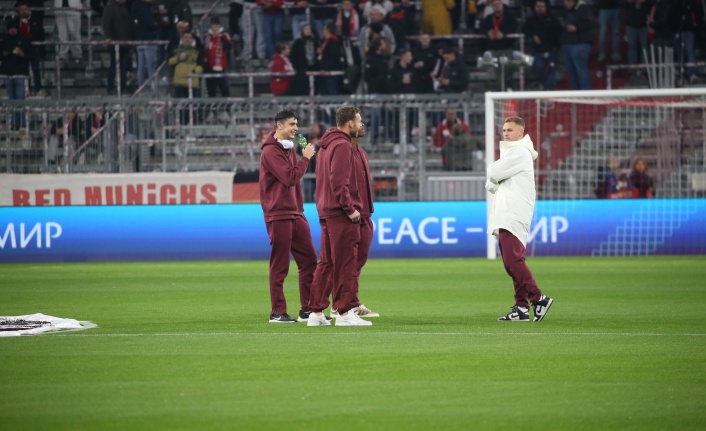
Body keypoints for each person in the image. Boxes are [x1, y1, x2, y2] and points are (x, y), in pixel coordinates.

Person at [307, 106, 375, 327]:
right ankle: (345, 313)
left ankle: (316, 313)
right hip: (341, 213)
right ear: (350, 124)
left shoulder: (326, 146)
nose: (362, 124)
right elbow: (339, 182)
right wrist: (349, 208)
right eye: (359, 120)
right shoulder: (343, 145)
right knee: (346, 262)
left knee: (326, 262)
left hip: (327, 210)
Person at [486, 116, 553, 322]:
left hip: (513, 214)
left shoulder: (519, 152)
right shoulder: (514, 153)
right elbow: (494, 182)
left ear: (520, 133)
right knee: (511, 262)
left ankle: (538, 298)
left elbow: (493, 172)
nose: (505, 133)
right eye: (504, 130)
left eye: (509, 130)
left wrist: (493, 175)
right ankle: (521, 308)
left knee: (513, 261)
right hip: (510, 213)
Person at [259, 109, 318, 323]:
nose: (296, 128)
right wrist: (306, 159)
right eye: (292, 124)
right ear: (279, 125)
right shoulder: (270, 151)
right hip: (279, 213)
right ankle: (277, 312)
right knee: (280, 264)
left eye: (296, 124)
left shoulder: (288, 147)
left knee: (310, 260)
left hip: (295, 212)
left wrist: (299, 208)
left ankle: (308, 309)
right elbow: (289, 177)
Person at [521, 0, 562, 90]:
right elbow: (524, 29)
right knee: (539, 68)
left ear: (546, 7)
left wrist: (556, 47)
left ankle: (548, 90)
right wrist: (533, 35)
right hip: (537, 51)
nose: (540, 8)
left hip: (551, 50)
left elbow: (559, 33)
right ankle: (544, 87)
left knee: (551, 71)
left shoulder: (553, 19)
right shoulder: (531, 19)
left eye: (542, 6)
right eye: (538, 6)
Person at [1, 18, 31, 132]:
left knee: (20, 100)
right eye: (11, 29)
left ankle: (22, 124)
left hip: (20, 74)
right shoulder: (4, 41)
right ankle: (14, 123)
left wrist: (23, 54)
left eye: (14, 28)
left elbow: (31, 54)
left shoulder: (24, 40)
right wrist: (3, 54)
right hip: (8, 75)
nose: (12, 30)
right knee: (11, 101)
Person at [562, 0, 596, 90]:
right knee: (572, 71)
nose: (564, 4)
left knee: (581, 70)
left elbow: (592, 23)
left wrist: (577, 28)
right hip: (569, 43)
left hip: (581, 43)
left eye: (566, 1)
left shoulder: (584, 8)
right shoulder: (569, 11)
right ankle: (576, 92)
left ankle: (585, 93)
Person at [16, 1, 46, 97]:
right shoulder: (16, 22)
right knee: (24, 71)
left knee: (35, 70)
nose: (24, 12)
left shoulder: (35, 20)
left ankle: (38, 88)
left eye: (25, 9)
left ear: (28, 10)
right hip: (21, 49)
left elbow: (40, 35)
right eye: (22, 10)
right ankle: (26, 90)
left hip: (33, 48)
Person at [102, 0, 132, 95]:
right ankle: (110, 87)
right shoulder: (110, 7)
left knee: (124, 67)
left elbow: (127, 25)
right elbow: (105, 23)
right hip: (115, 43)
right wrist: (108, 37)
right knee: (114, 66)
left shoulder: (124, 8)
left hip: (125, 43)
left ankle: (123, 87)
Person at [130, 0, 158, 88]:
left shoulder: (134, 8)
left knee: (141, 67)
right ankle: (154, 91)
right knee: (151, 67)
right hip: (148, 41)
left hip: (139, 41)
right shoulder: (145, 9)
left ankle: (140, 89)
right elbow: (151, 24)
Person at [168, 31, 204, 98]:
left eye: (190, 37)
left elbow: (201, 65)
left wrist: (194, 72)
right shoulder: (175, 50)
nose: (187, 39)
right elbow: (169, 61)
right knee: (181, 106)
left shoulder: (197, 51)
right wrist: (178, 58)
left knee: (193, 106)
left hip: (192, 83)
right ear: (182, 39)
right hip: (179, 82)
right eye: (185, 37)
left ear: (192, 39)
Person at [289, 24, 320, 96]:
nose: (308, 31)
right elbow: (293, 56)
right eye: (306, 29)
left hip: (314, 69)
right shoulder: (298, 42)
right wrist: (298, 67)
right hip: (302, 70)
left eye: (309, 29)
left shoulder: (316, 41)